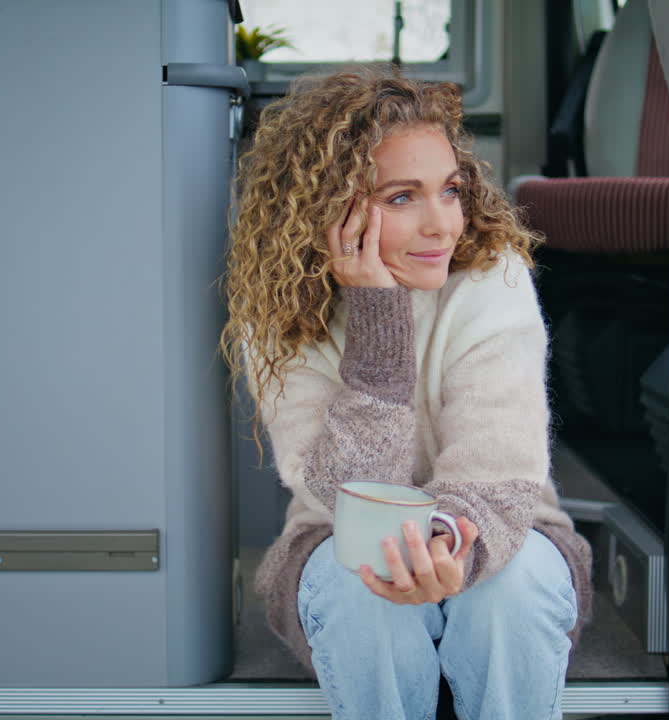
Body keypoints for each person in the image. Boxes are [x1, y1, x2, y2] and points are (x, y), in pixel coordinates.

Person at [221, 65, 592, 720]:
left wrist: (445, 544)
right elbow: (349, 497)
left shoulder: (493, 276)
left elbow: (499, 472)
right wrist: (378, 322)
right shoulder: (278, 312)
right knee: (361, 587)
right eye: (400, 198)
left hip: (503, 528)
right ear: (329, 209)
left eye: (449, 191)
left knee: (510, 592)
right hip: (335, 540)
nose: (442, 225)